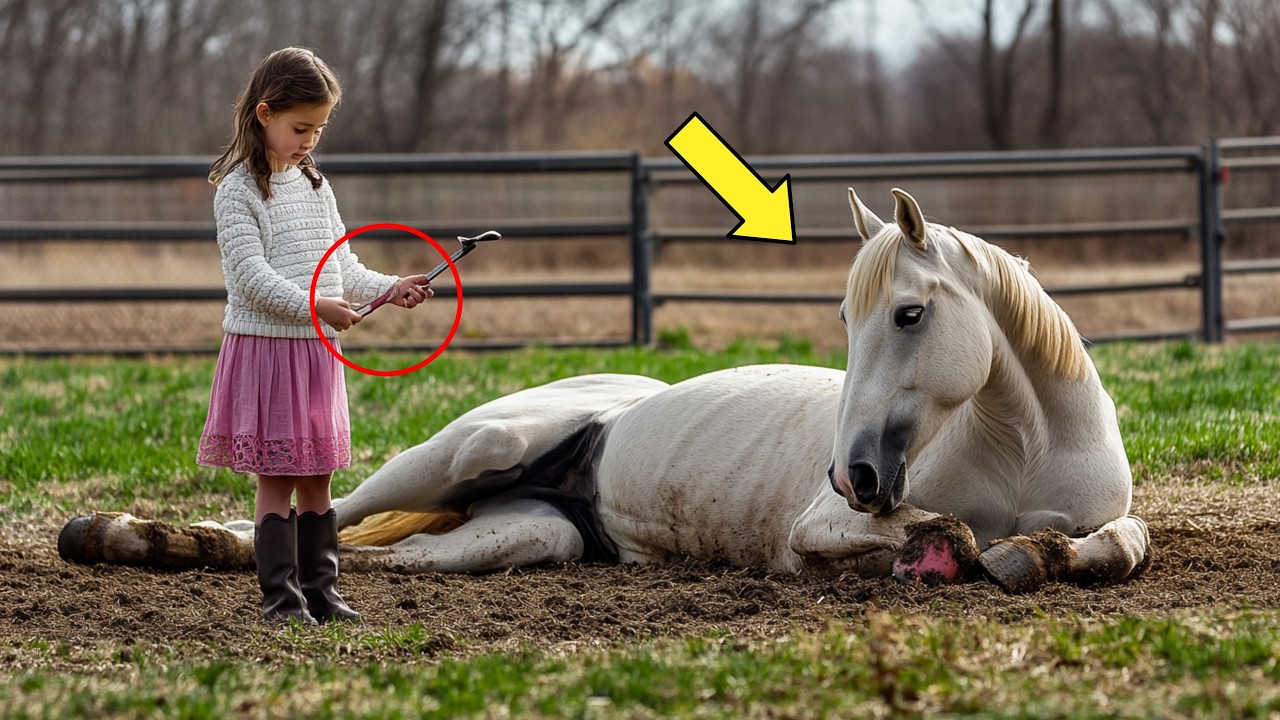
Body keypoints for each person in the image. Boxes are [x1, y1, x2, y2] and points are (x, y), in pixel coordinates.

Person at [198, 47, 431, 624]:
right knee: (278, 476)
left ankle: (323, 592)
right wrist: (316, 306)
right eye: (300, 128)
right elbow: (251, 279)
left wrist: (390, 285)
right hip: (268, 351)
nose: (309, 140)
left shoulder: (315, 185)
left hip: (316, 351)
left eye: (318, 130)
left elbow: (343, 266)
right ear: (263, 114)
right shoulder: (237, 190)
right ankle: (281, 599)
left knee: (318, 474)